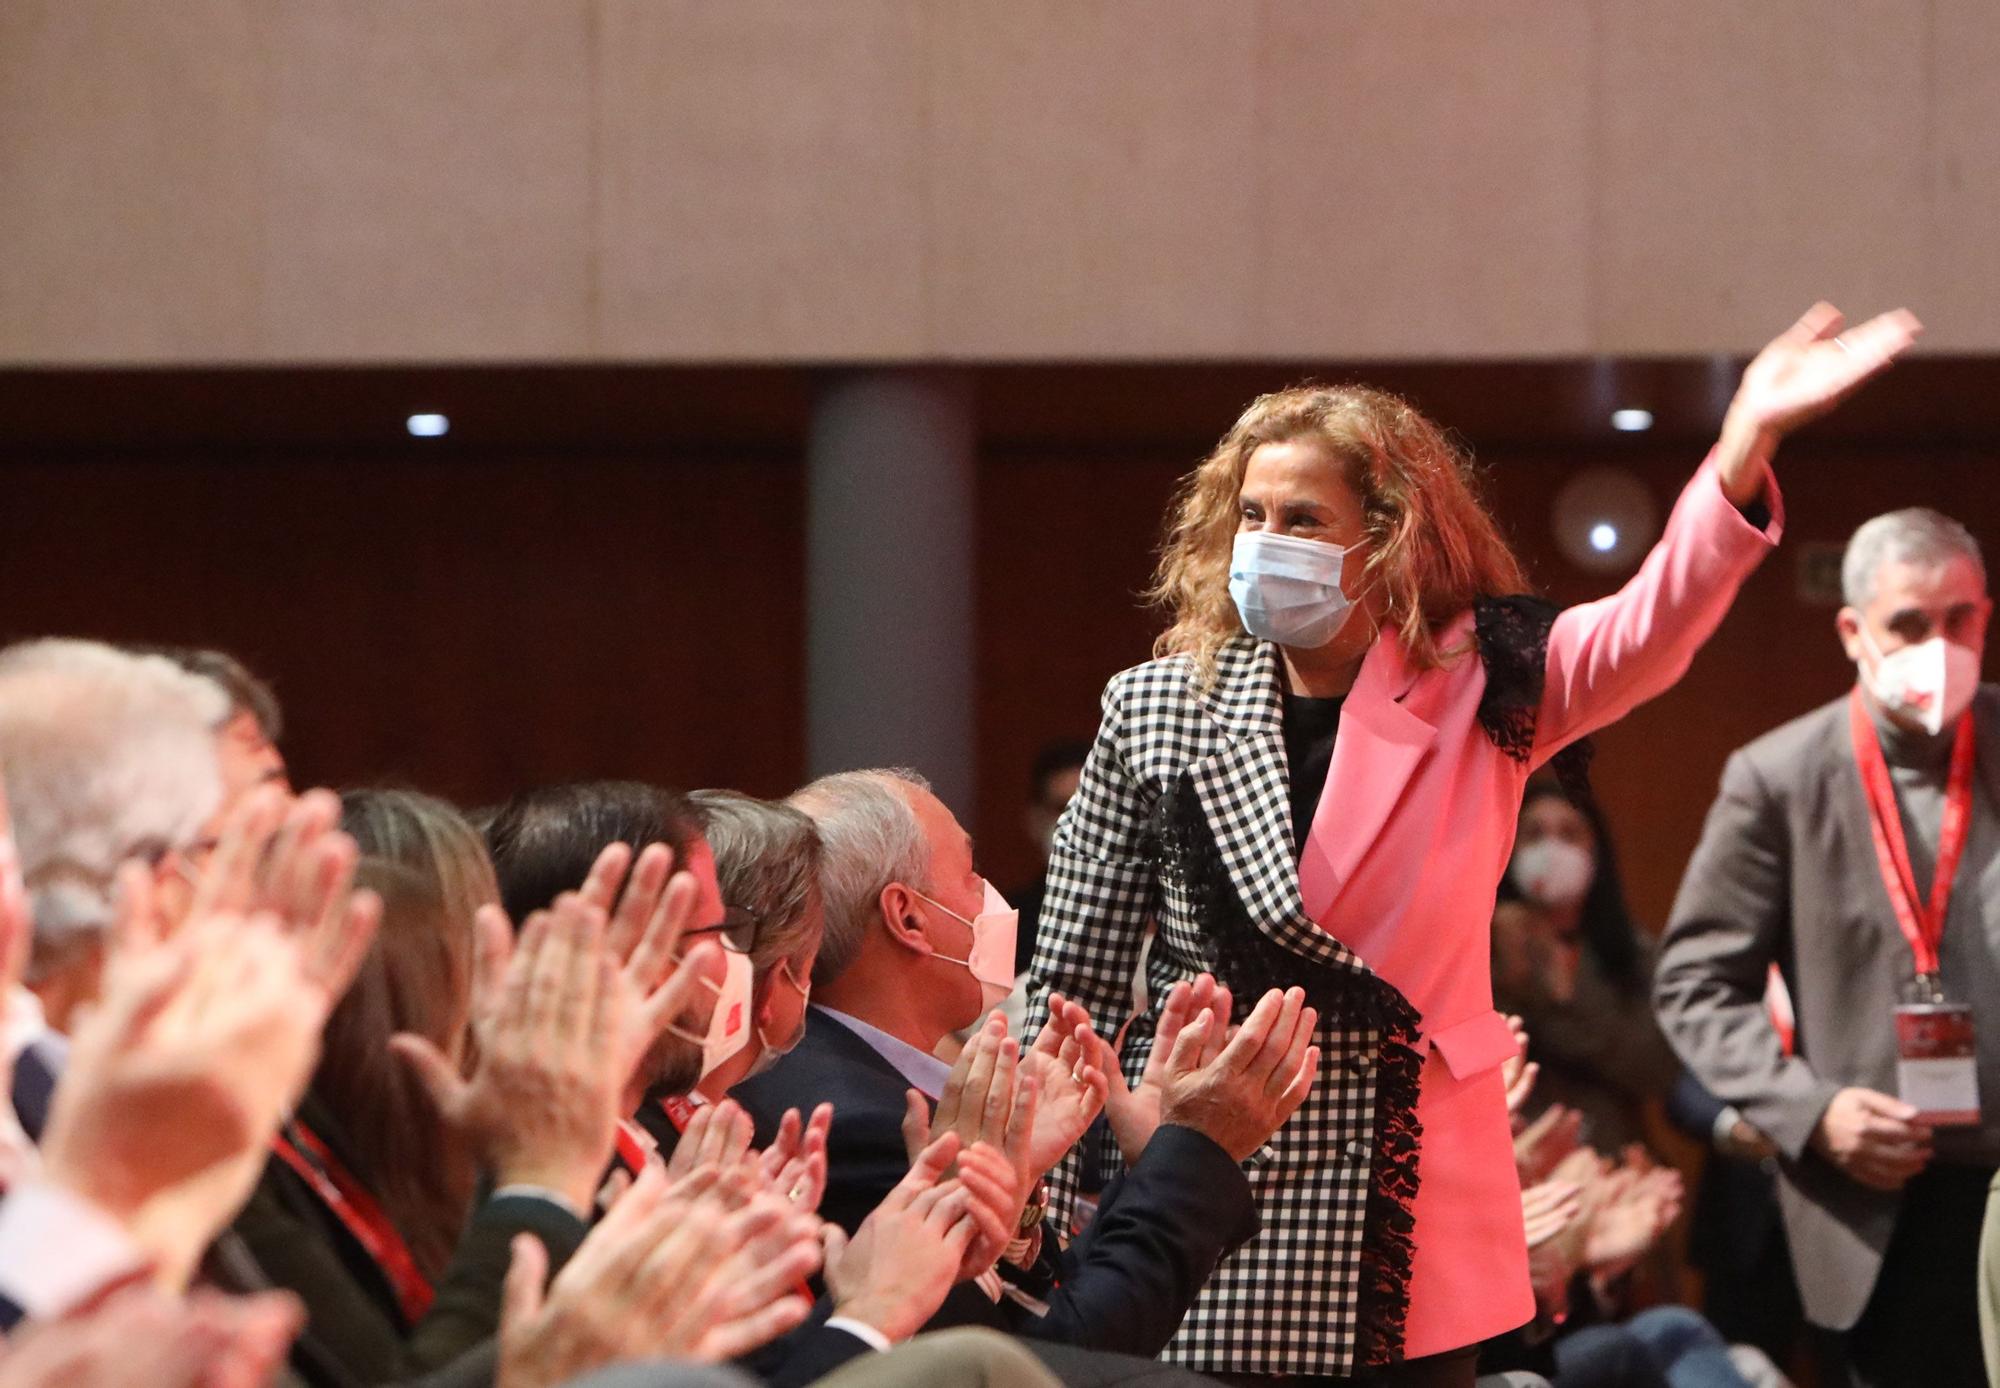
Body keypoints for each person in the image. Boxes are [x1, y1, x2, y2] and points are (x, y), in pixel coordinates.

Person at [1024, 302, 1921, 1384]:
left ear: (1387, 533)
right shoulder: (1156, 703)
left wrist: (1741, 448)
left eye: (1302, 518)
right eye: (1250, 515)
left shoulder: (1480, 678)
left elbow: (1648, 626)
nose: (1266, 543)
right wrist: (1053, 1183)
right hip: (1209, 1169)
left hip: (1402, 1202)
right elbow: (1067, 973)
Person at [736, 767, 1312, 1372]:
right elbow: (1051, 1359)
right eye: (970, 873)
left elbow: (1039, 1312)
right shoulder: (861, 1123)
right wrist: (1198, 1150)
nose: (992, 893)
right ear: (909, 918)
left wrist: (1139, 1165)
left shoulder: (866, 1080)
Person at [1655, 506, 1998, 1388]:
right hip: (1875, 1199)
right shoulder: (1778, 777)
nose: (1940, 646)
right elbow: (1695, 984)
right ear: (1853, 633)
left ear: (1986, 617)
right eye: (1909, 625)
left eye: (1959, 620)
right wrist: (1809, 1111)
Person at [1494, 781, 1680, 1154]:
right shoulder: (1478, 944)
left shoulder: (1632, 952)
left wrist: (1567, 998)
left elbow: (1658, 1071)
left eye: (1569, 834)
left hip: (1610, 1161)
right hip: (1513, 1157)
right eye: (1533, 834)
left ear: (1595, 851)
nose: (1552, 850)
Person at [1010, 741, 1091, 977]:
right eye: (1061, 807)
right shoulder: (1009, 923)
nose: (1074, 822)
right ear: (1035, 819)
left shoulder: (1150, 914)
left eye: (1087, 808)